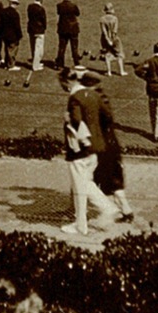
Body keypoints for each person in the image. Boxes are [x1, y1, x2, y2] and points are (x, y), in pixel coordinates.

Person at [61, 69, 122, 236]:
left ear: (68, 82)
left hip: (80, 149)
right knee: (86, 183)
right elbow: (108, 115)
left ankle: (82, 224)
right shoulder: (94, 95)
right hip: (96, 147)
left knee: (80, 187)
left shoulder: (74, 98)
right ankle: (107, 208)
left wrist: (69, 122)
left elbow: (76, 120)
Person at [90, 78, 136, 222]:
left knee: (93, 180)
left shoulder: (94, 102)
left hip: (102, 149)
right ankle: (127, 211)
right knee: (113, 181)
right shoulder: (102, 100)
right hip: (111, 146)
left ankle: (112, 210)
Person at [54, 0, 82, 70]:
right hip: (73, 28)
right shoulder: (73, 6)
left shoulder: (59, 5)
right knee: (74, 47)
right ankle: (76, 63)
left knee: (62, 47)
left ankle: (60, 64)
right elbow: (78, 13)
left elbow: (59, 13)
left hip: (62, 28)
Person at [98, 2, 125, 76]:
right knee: (119, 53)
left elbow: (104, 31)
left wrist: (108, 40)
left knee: (107, 54)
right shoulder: (115, 19)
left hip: (104, 39)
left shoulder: (102, 19)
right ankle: (121, 71)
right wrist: (112, 39)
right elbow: (115, 31)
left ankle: (109, 72)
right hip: (115, 38)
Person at [26, 0, 49, 75]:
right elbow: (43, 20)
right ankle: (36, 65)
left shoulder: (30, 7)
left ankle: (35, 62)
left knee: (33, 46)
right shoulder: (41, 9)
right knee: (38, 48)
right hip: (39, 30)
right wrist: (44, 27)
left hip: (31, 29)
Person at [0, 0, 24, 69]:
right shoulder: (15, 14)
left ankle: (7, 64)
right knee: (12, 50)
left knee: (7, 49)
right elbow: (17, 26)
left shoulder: (3, 11)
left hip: (4, 34)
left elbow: (0, 23)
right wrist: (20, 35)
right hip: (13, 35)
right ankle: (11, 65)